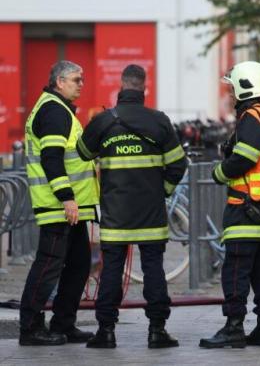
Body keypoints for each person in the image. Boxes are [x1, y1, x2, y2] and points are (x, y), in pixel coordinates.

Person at [76, 64, 187, 348]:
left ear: (121, 87)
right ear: (144, 89)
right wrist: (161, 191)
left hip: (115, 213)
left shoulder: (103, 121)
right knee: (153, 270)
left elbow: (83, 151)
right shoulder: (159, 121)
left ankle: (106, 332)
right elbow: (178, 163)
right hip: (151, 213)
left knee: (111, 270)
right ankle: (157, 331)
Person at [199, 61, 260, 349]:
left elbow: (245, 156)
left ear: (246, 87)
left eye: (233, 88)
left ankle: (234, 327)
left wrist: (220, 172)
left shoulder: (250, 118)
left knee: (235, 269)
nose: (231, 94)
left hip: (243, 207)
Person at [19, 61, 100, 346]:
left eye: (83, 79)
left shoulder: (60, 109)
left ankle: (63, 324)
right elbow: (51, 159)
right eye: (77, 79)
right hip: (59, 206)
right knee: (48, 266)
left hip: (70, 207)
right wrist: (67, 198)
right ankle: (30, 328)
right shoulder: (54, 111)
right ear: (59, 81)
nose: (81, 84)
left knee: (79, 264)